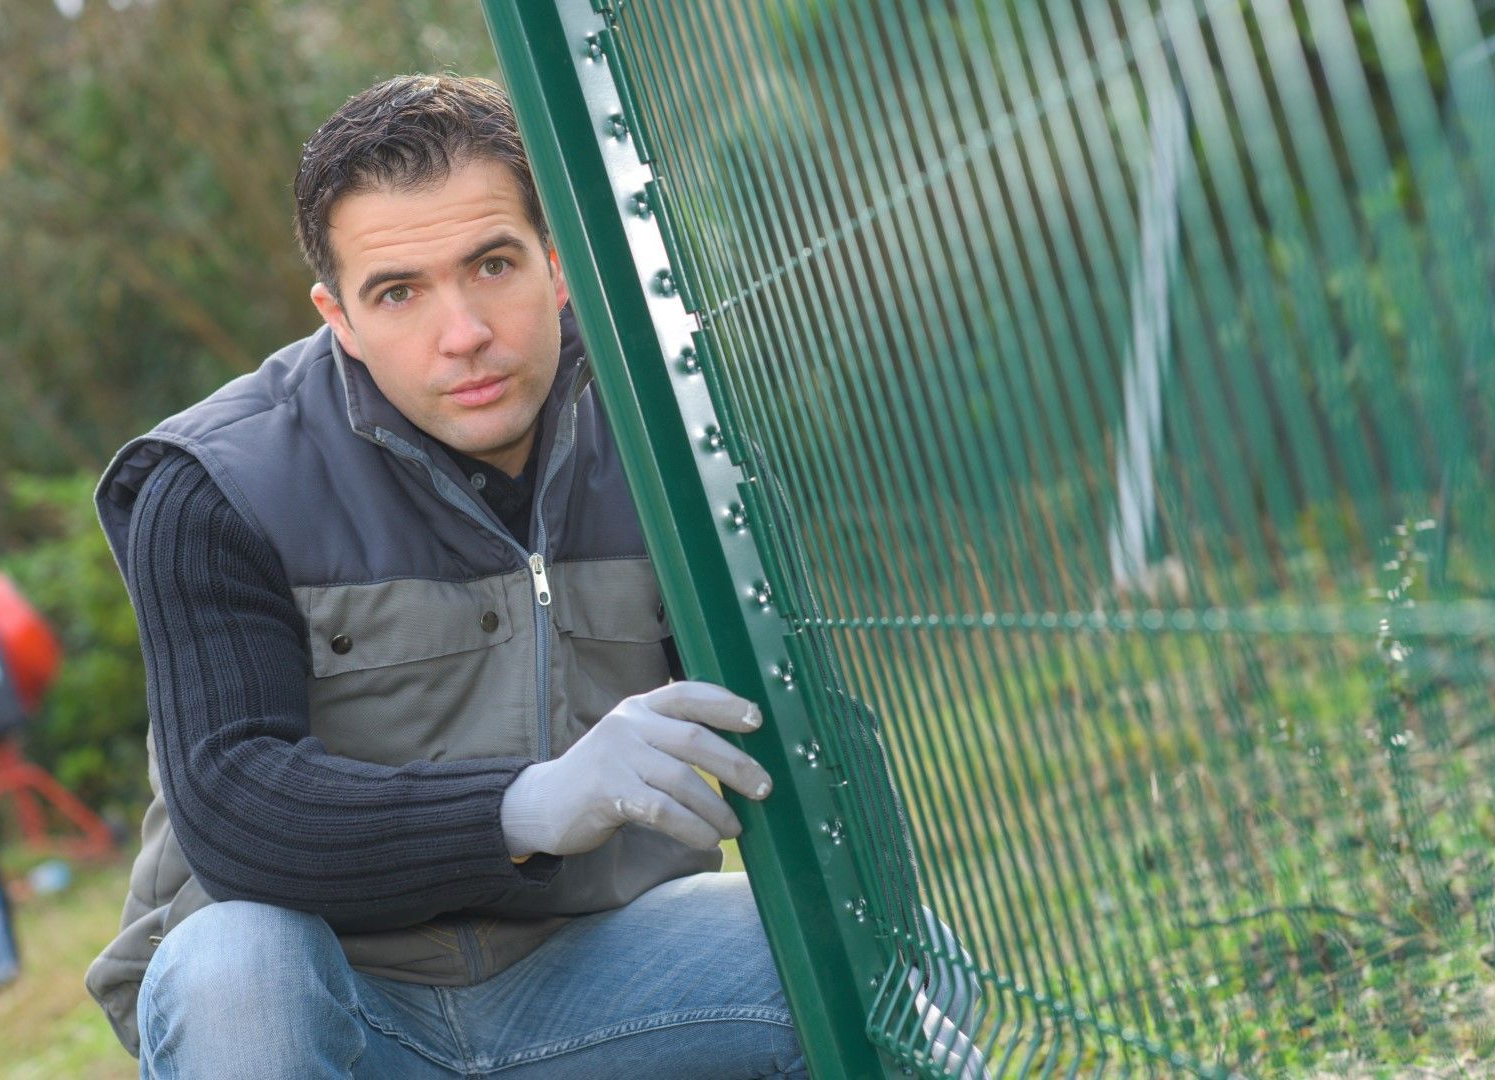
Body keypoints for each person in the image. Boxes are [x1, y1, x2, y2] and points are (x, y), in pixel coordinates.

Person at [88, 73, 982, 1079]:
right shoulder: (211, 485)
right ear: (336, 316)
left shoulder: (672, 437)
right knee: (232, 966)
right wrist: (525, 805)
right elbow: (235, 805)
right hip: (338, 1000)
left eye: (491, 264)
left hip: (597, 969)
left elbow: (805, 726)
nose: (463, 332)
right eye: (398, 292)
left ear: (555, 266)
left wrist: (887, 977)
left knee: (895, 967)